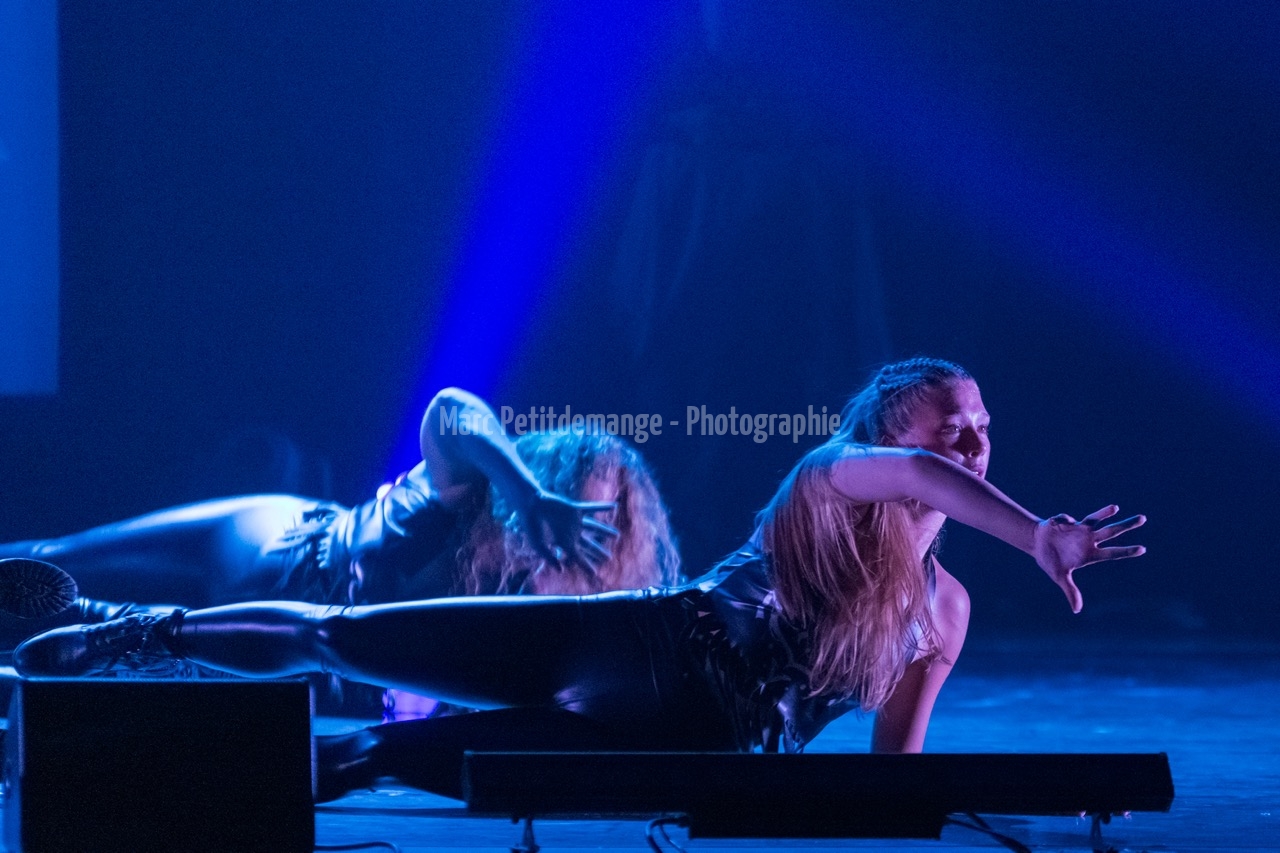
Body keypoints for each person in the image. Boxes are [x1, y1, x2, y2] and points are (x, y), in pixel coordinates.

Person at [13, 358, 1146, 801]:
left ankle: (115, 774)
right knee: (341, 633)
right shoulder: (832, 477)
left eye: (983, 424)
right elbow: (916, 479)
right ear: (892, 436)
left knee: (371, 758)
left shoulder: (942, 611)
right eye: (951, 427)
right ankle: (135, 632)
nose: (972, 443)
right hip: (634, 646)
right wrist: (1035, 535)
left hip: (701, 747)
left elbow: (894, 775)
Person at [0, 388, 681, 671]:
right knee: (61, 560)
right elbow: (450, 408)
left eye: (600, 523)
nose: (577, 530)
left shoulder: (539, 599)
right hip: (271, 545)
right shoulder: (472, 493)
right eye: (573, 505)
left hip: (274, 641)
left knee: (83, 630)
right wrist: (527, 495)